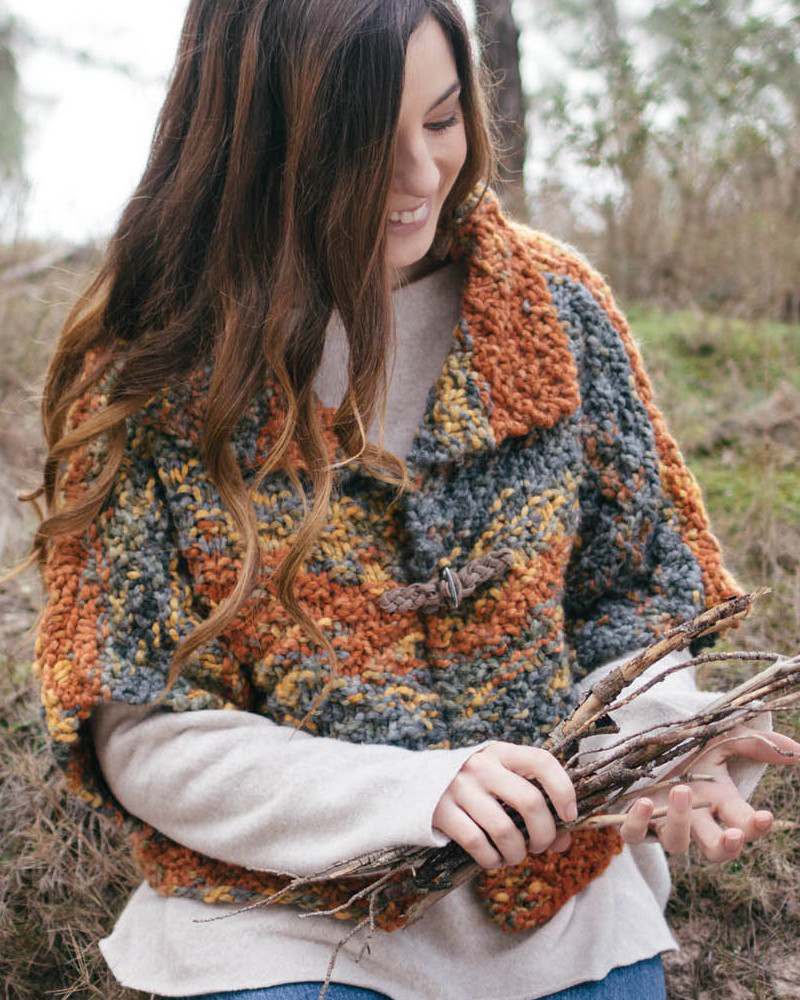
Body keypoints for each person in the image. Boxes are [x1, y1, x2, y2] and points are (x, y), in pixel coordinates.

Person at [21, 2, 800, 999]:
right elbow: (143, 724)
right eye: (360, 147)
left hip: (561, 911)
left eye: (441, 120)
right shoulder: (152, 372)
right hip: (278, 918)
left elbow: (640, 600)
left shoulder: (555, 311)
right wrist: (410, 791)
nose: (422, 177)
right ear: (253, 142)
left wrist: (663, 746)